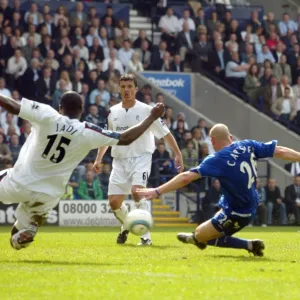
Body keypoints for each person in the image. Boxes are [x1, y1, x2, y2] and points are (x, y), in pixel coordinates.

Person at [0, 91, 165, 250]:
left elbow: (13, 106)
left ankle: (25, 231)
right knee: (16, 235)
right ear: (81, 110)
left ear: (60, 108)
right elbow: (125, 138)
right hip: (48, 194)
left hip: (19, 181)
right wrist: (152, 116)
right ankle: (26, 232)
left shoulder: (47, 115)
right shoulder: (88, 131)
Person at [137, 124, 300, 256]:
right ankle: (201, 238)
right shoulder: (248, 145)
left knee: (202, 235)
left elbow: (186, 177)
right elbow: (280, 151)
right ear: (230, 137)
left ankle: (245, 244)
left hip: (239, 211)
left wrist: (157, 191)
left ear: (212, 142)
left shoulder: (217, 159)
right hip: (247, 202)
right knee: (212, 225)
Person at [93, 73, 184, 246]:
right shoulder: (113, 112)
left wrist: (177, 153)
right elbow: (107, 138)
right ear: (119, 89)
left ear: (136, 89)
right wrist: (98, 159)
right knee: (114, 203)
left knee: (137, 192)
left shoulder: (147, 110)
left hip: (141, 157)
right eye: (123, 87)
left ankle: (145, 237)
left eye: (129, 87)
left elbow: (165, 133)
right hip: (119, 160)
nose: (126, 90)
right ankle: (127, 224)